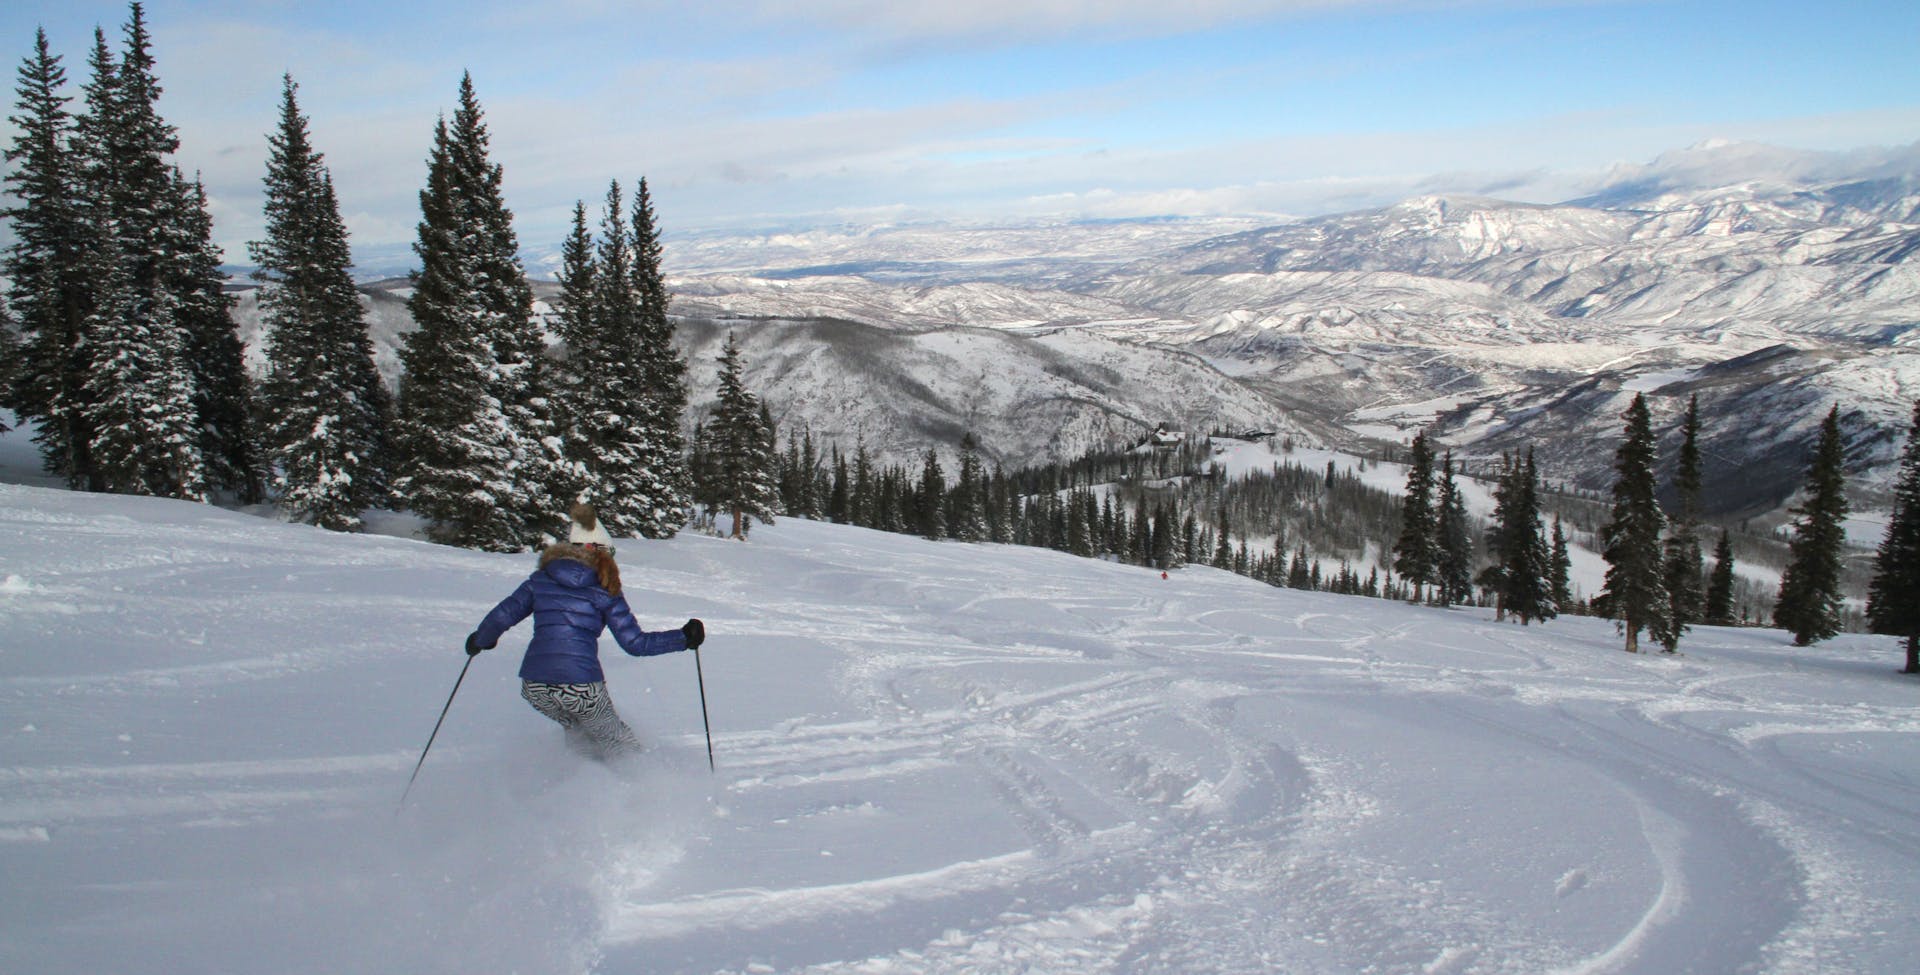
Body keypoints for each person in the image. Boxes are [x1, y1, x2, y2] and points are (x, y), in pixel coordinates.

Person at [466, 503, 705, 760]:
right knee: (617, 740)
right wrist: (683, 638)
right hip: (581, 684)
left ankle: (579, 781)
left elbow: (502, 616)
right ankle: (641, 784)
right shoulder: (604, 590)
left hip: (535, 685)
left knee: (578, 731)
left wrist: (481, 640)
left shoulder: (540, 580)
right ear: (596, 552)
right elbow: (635, 643)